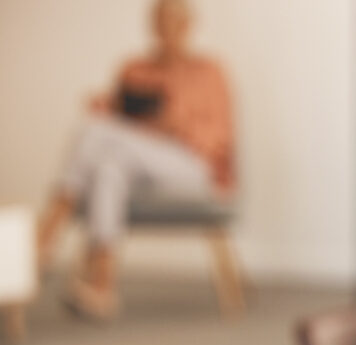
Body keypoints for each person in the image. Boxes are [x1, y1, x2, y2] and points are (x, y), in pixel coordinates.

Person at [36, 0, 233, 320]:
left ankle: (45, 237)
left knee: (99, 135)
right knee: (108, 165)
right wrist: (110, 104)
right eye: (157, 21)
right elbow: (114, 117)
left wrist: (172, 123)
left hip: (192, 168)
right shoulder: (135, 68)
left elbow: (218, 139)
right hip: (134, 164)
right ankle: (102, 286)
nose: (163, 29)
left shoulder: (210, 72)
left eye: (171, 21)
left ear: (187, 25)